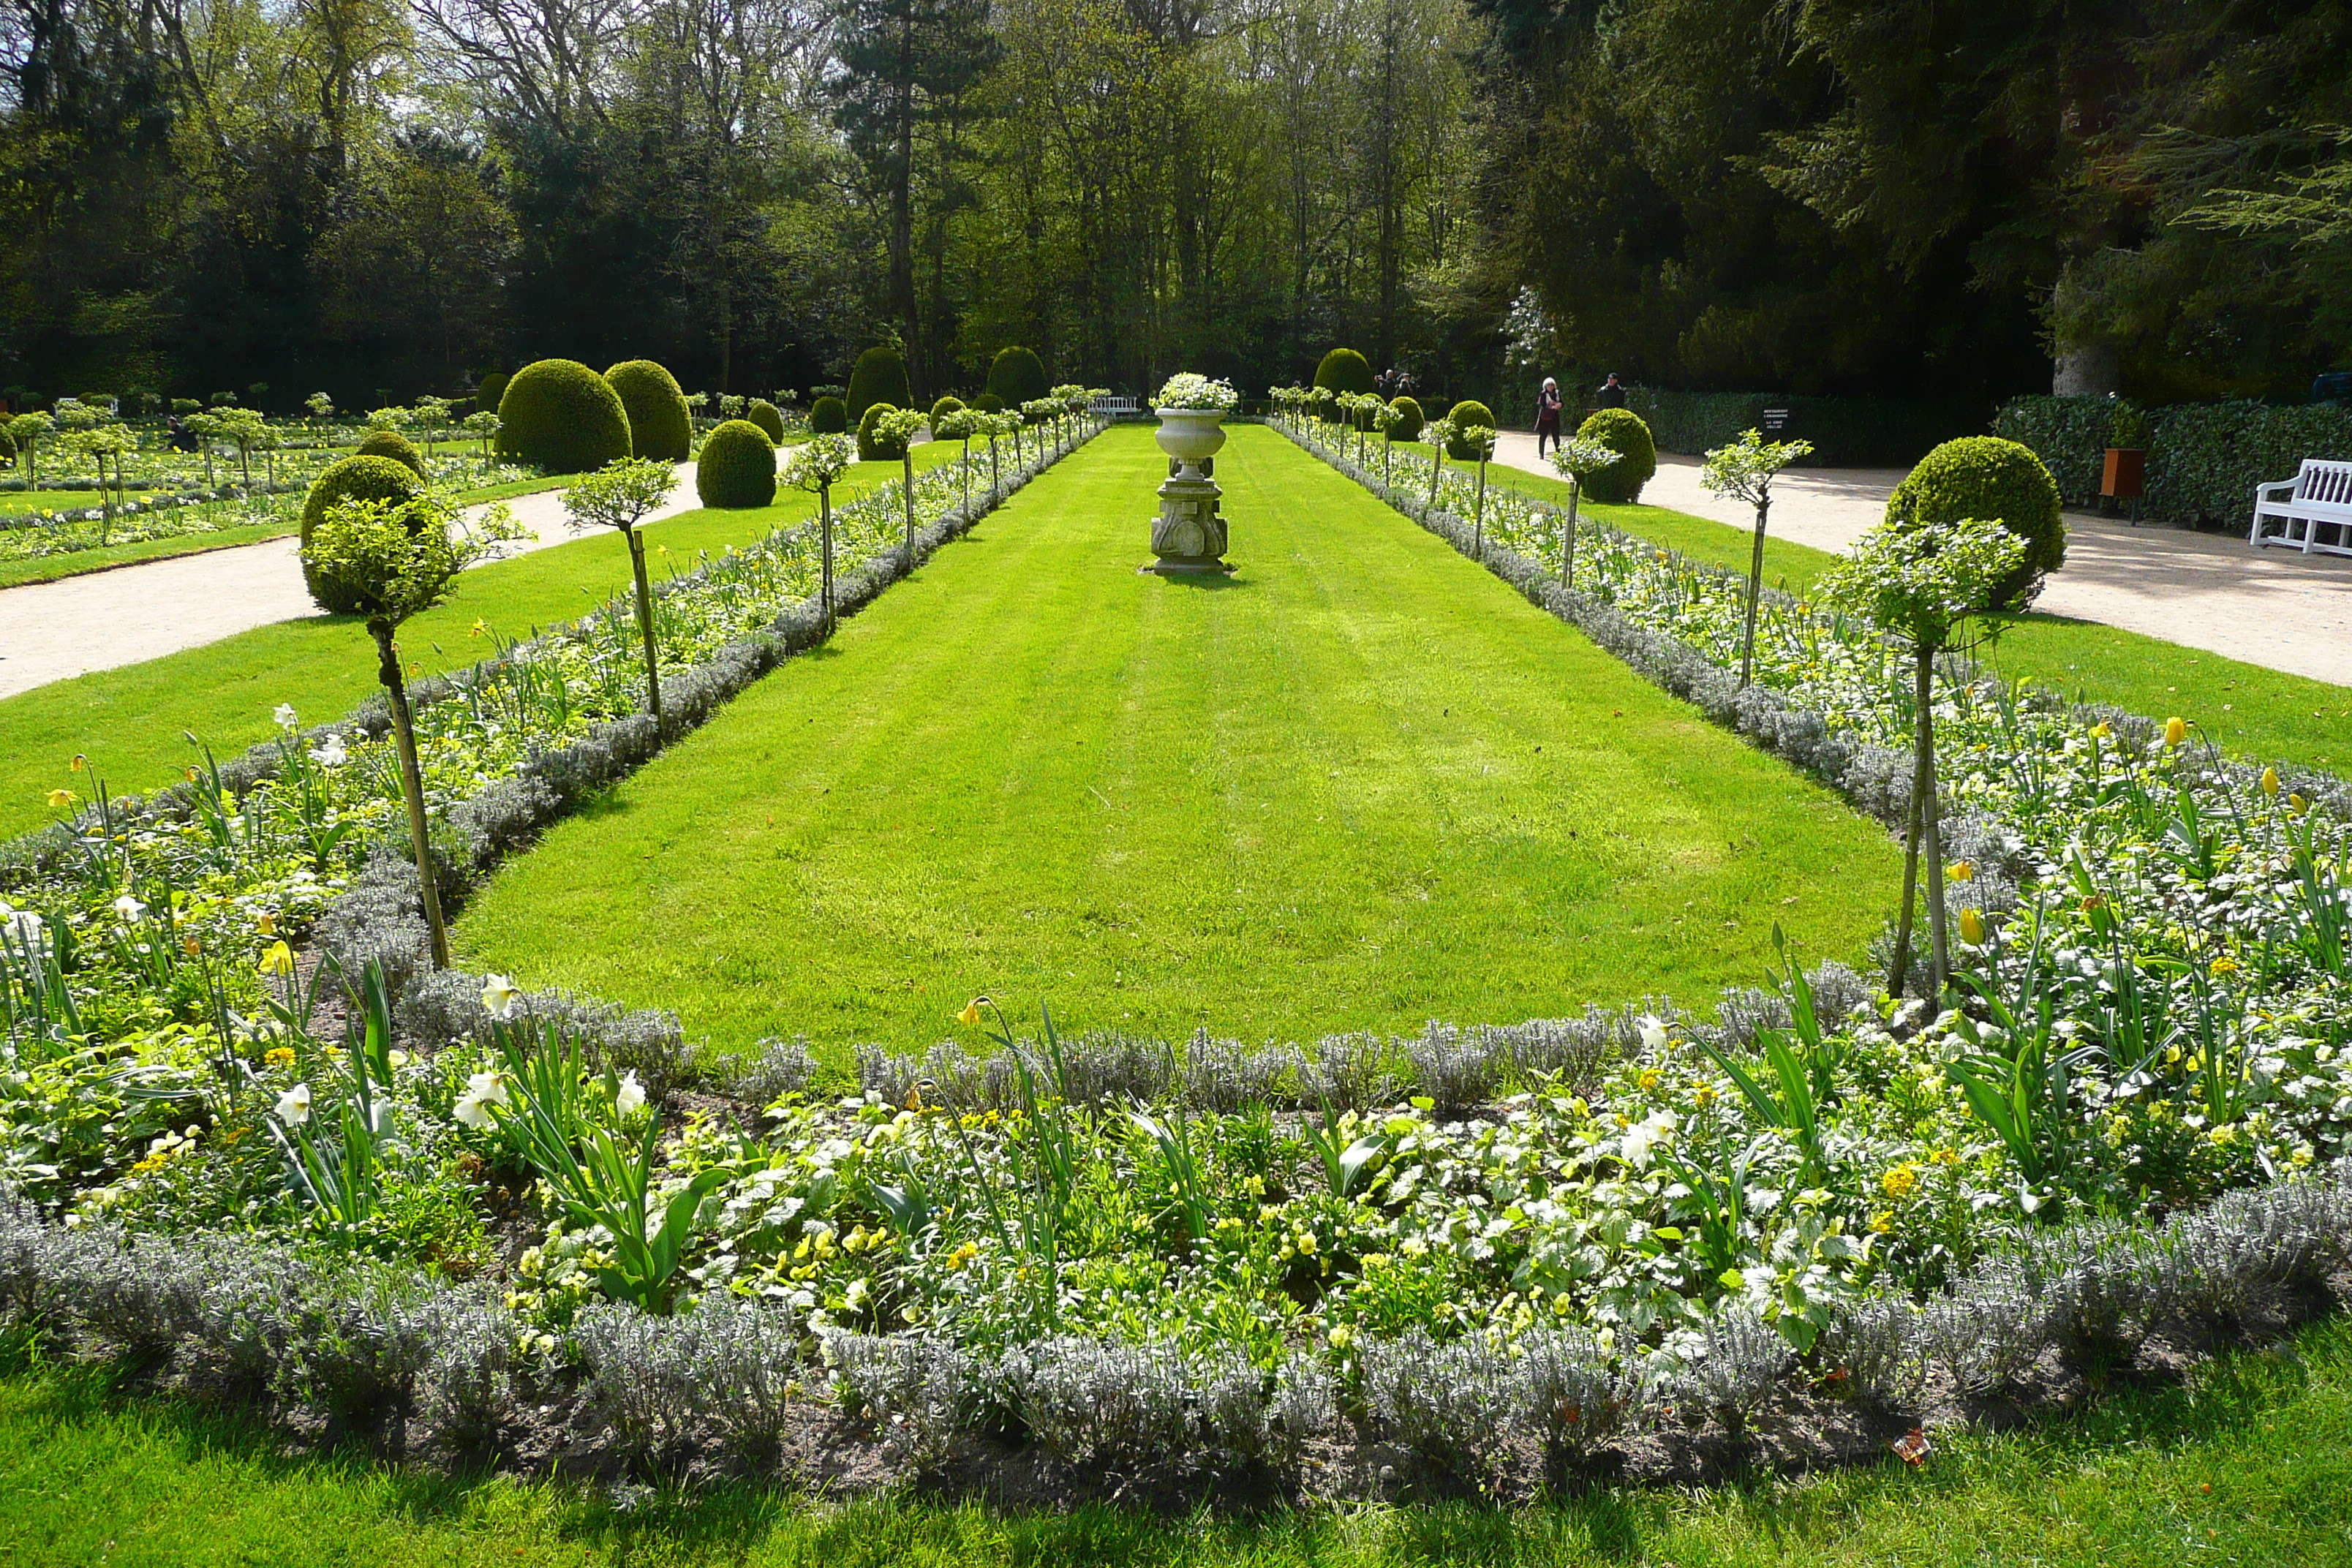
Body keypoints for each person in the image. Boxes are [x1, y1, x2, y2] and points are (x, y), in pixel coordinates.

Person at [1534, 377, 1564, 456]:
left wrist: (1559, 405)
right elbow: (1543, 404)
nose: (1551, 387)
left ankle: (1558, 452)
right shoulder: (1543, 394)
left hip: (1554, 417)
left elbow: (1562, 403)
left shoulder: (1557, 393)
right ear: (1546, 386)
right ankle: (1541, 453)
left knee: (1556, 435)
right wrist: (1552, 406)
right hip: (1545, 417)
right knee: (1543, 435)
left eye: (1552, 385)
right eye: (1549, 385)